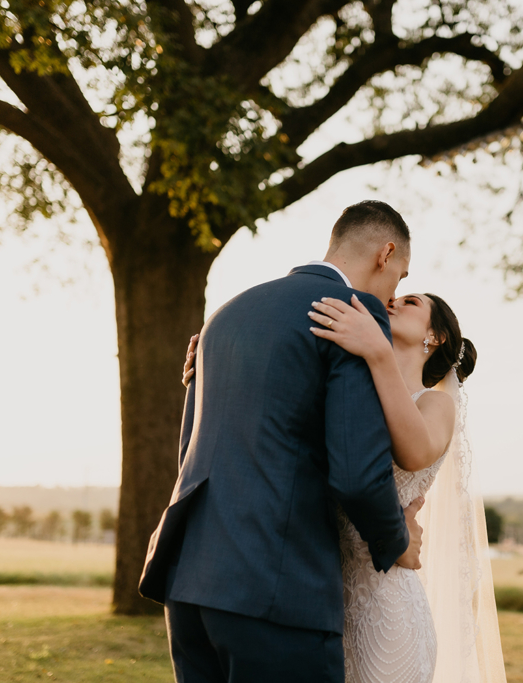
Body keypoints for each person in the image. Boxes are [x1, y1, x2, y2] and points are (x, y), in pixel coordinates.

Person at [139, 200, 425, 683]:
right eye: (401, 274)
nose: (394, 291)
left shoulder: (228, 313)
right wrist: (397, 541)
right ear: (386, 253)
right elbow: (356, 472)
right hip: (276, 589)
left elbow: (190, 448)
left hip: (189, 583)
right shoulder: (353, 316)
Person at [182, 293, 507, 682]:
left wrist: (378, 354)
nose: (394, 301)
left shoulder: (436, 404)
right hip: (327, 598)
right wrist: (214, 369)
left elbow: (415, 453)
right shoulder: (350, 391)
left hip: (388, 608)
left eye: (411, 302)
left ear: (435, 337)